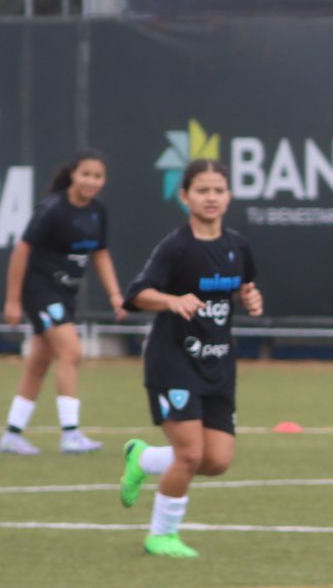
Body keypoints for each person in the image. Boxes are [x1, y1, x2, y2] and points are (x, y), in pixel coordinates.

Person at [117, 158, 262, 559]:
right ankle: (160, 535)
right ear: (185, 197)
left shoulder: (237, 246)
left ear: (228, 196)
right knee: (190, 454)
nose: (211, 197)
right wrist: (170, 299)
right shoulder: (176, 247)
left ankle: (143, 458)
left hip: (218, 363)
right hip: (173, 360)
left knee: (217, 460)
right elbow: (135, 295)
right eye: (202, 190)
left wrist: (249, 297)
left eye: (218, 190)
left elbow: (244, 287)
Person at [3, 150, 124, 455]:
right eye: (86, 174)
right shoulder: (53, 209)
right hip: (40, 289)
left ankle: (12, 434)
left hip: (65, 293)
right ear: (73, 174)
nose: (91, 181)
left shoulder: (99, 211)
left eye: (97, 176)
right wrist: (13, 300)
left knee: (40, 361)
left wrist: (115, 295)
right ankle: (70, 434)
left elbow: (100, 253)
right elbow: (22, 251)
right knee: (72, 351)